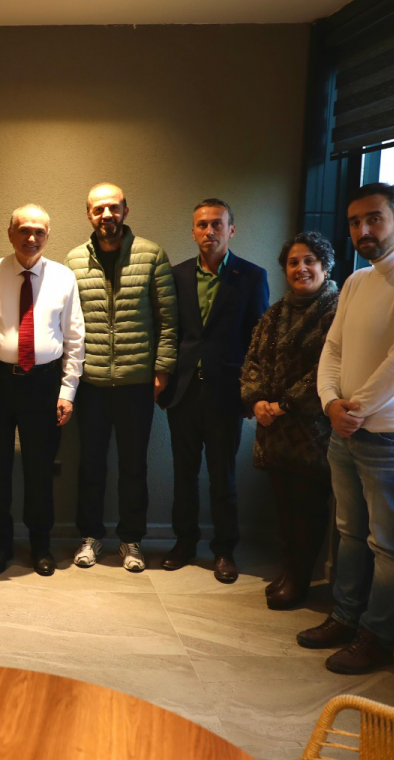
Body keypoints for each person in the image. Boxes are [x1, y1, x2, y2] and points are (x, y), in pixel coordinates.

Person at [299, 183, 394, 674]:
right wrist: (331, 404)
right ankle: (345, 617)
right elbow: (333, 349)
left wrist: (353, 409)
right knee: (348, 533)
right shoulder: (358, 282)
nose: (363, 230)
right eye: (354, 222)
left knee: (388, 548)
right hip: (346, 431)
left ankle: (377, 637)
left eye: (374, 219)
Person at [64, 183, 177, 573]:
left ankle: (132, 539)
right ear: (89, 214)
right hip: (91, 383)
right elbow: (67, 324)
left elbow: (168, 320)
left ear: (125, 210)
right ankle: (90, 536)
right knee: (90, 465)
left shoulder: (151, 255)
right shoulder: (74, 260)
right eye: (98, 209)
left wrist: (162, 369)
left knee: (134, 467)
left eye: (113, 207)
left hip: (136, 383)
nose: (106, 215)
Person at [157, 199, 269, 584]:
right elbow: (167, 330)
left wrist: (252, 392)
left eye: (217, 224)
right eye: (202, 225)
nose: (209, 231)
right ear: (192, 232)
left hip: (227, 393)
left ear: (230, 230)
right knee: (183, 475)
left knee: (223, 477)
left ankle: (224, 550)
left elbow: (258, 340)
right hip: (184, 392)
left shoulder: (251, 276)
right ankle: (184, 543)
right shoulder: (176, 276)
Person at [0, 204, 85, 577]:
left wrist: (67, 391)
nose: (31, 237)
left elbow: (74, 338)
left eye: (39, 231)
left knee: (40, 470)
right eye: (23, 230)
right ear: (10, 233)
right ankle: (0, 546)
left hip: (44, 384)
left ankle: (40, 546)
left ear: (48, 235)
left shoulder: (63, 277)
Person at [240, 232, 339, 610]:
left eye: (310, 261)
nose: (301, 268)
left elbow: (327, 370)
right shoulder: (276, 312)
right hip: (274, 431)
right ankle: (288, 571)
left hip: (312, 433)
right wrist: (257, 400)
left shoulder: (336, 310)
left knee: (307, 509)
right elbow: (252, 359)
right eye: (294, 262)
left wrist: (283, 404)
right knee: (284, 507)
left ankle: (299, 580)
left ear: (325, 266)